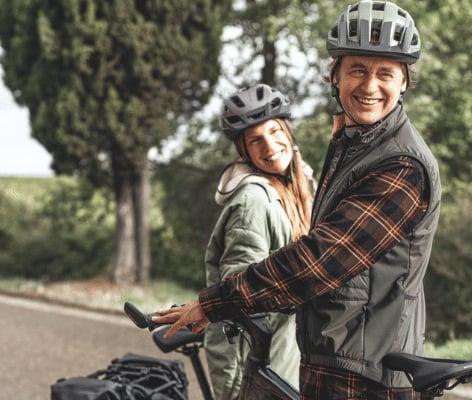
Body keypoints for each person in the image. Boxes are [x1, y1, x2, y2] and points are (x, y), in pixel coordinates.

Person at [155, 2, 440, 399]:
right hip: (337, 358)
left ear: (405, 82)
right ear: (334, 75)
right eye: (357, 69)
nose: (370, 86)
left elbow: (323, 259)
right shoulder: (358, 144)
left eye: (385, 73)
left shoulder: (401, 165)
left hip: (365, 374)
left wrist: (215, 302)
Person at [204, 84, 312, 400]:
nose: (269, 145)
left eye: (274, 131)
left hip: (291, 349)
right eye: (256, 140)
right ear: (245, 152)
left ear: (289, 133)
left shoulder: (301, 189)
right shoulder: (254, 201)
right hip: (261, 358)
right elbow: (239, 290)